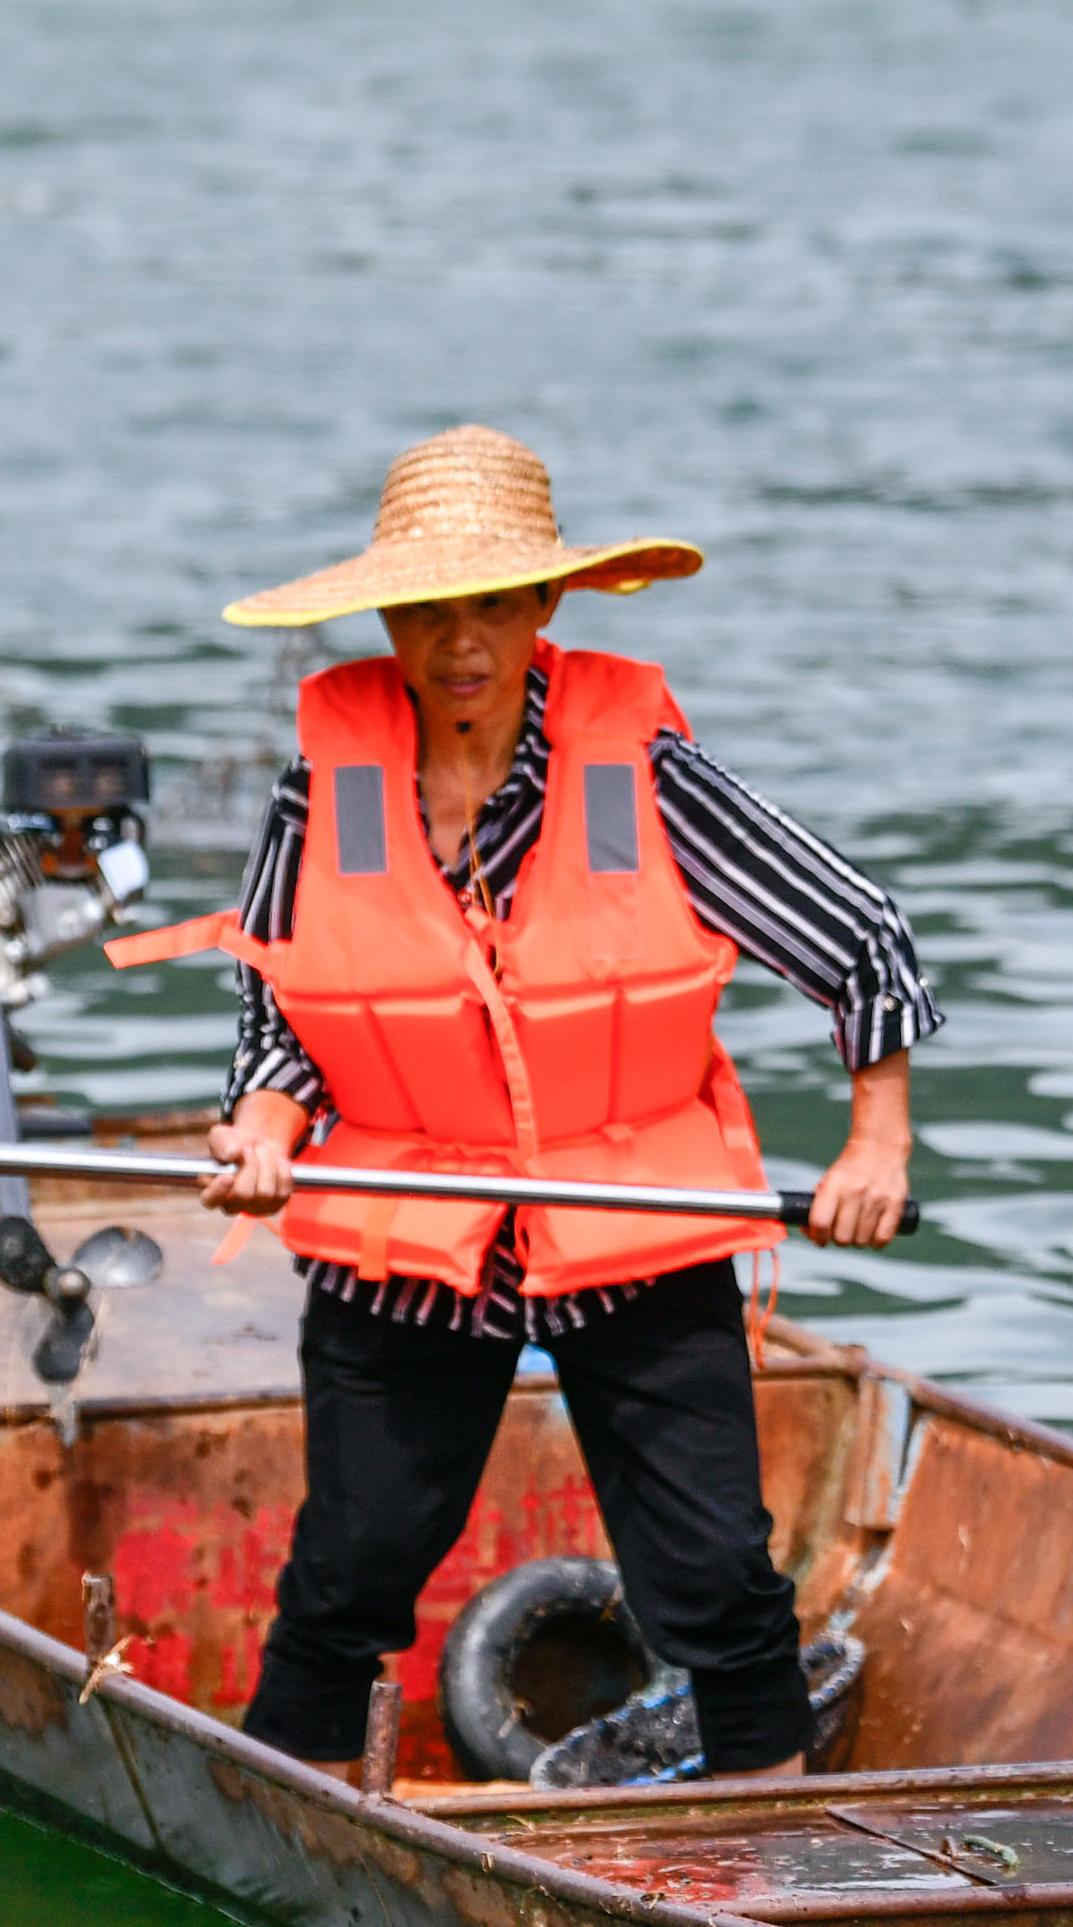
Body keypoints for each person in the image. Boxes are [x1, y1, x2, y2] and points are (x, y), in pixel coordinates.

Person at [184, 425, 938, 1784]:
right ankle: (269, 1812)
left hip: (626, 1210)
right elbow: (282, 1013)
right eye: (426, 610)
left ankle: (773, 1841)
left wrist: (875, 1143)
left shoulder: (639, 770)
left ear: (546, 606)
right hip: (414, 1222)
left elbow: (861, 939)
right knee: (348, 1572)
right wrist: (262, 1129)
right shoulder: (324, 785)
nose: (458, 641)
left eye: (489, 604)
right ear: (387, 623)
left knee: (715, 1579)